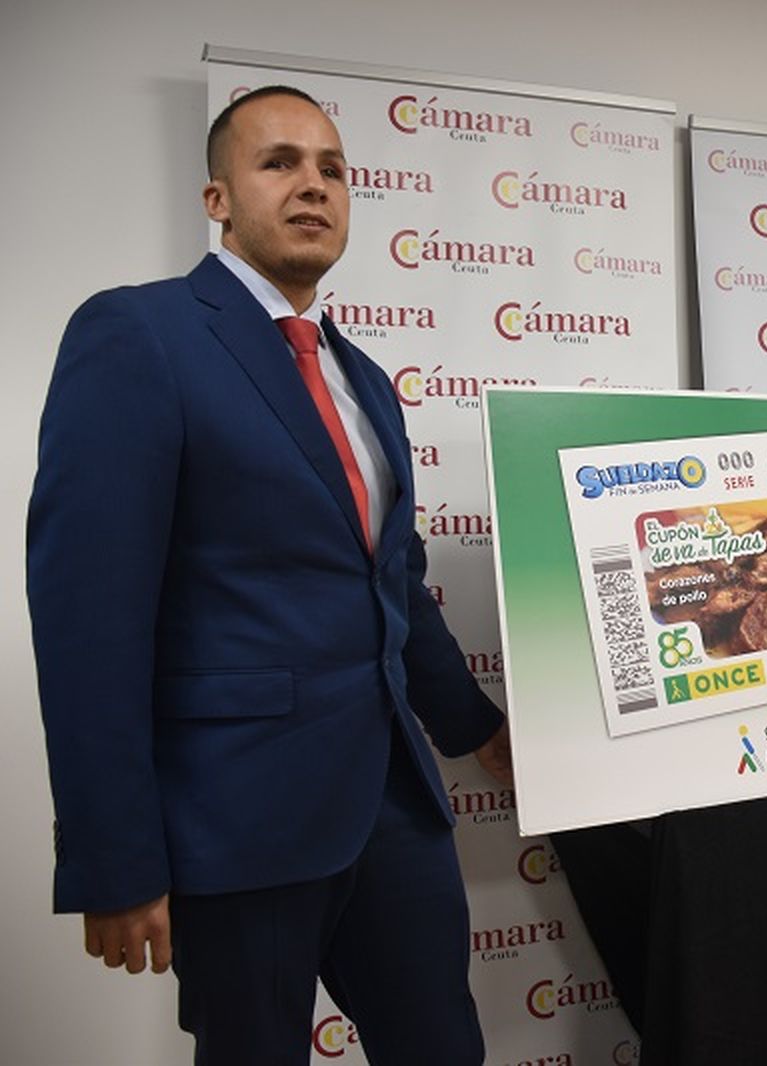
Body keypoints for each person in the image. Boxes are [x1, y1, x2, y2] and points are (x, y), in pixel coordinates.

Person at [27, 85, 512, 1065]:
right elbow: (88, 618)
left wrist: (479, 732)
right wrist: (113, 856)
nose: (312, 186)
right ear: (216, 197)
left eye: (332, 169)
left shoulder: (364, 379)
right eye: (279, 163)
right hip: (235, 818)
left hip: (392, 807)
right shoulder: (140, 337)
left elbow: (394, 586)